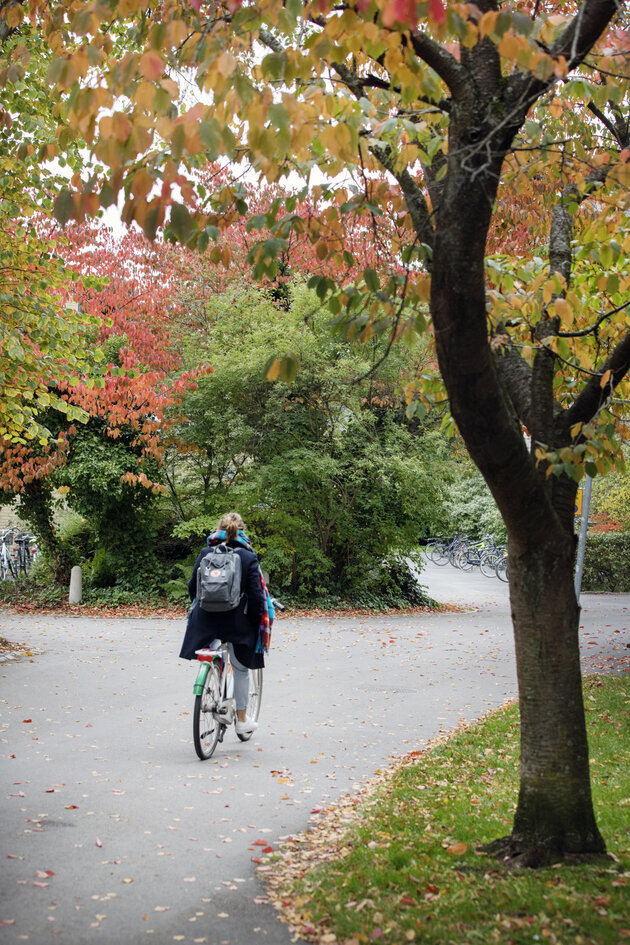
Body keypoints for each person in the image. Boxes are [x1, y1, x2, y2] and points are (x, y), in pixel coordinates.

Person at [179, 512, 268, 736]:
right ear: (242, 531)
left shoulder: (206, 552)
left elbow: (192, 586)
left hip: (206, 620)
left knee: (213, 649)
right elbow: (257, 597)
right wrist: (256, 622)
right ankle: (241, 720)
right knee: (240, 668)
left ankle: (212, 679)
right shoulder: (248, 557)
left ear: (219, 530)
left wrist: (199, 609)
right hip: (237, 623)